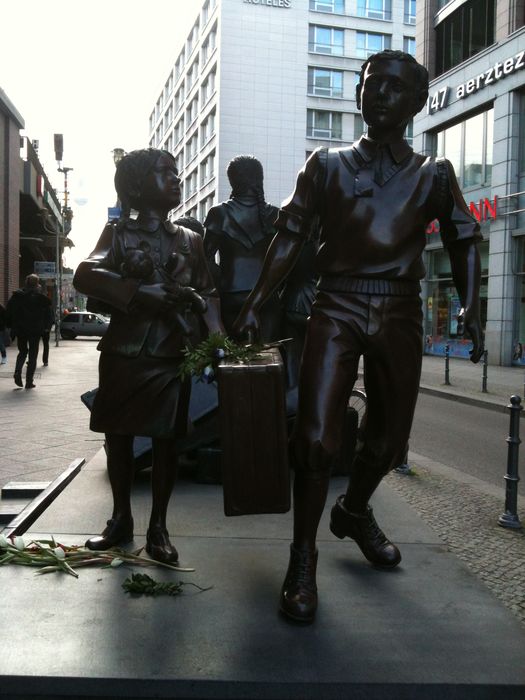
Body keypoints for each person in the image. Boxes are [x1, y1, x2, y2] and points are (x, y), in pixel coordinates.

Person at [233, 50, 484, 623]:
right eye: (372, 83)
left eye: (395, 88)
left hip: (399, 308)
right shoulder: (326, 163)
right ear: (359, 93)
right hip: (337, 302)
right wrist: (255, 304)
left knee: (390, 442)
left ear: (417, 102)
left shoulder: (435, 174)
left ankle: (353, 510)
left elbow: (465, 239)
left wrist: (469, 305)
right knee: (317, 437)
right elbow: (290, 237)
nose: (380, 94)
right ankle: (303, 557)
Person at [73, 148, 223, 564]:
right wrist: (137, 292)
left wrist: (218, 340)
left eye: (177, 172)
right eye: (165, 172)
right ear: (138, 186)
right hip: (125, 352)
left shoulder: (191, 240)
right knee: (118, 436)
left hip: (172, 355)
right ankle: (121, 518)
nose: (176, 179)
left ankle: (159, 526)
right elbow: (86, 273)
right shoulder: (118, 234)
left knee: (167, 441)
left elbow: (209, 293)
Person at [203, 155, 281, 340]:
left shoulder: (219, 213)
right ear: (259, 179)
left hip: (230, 294)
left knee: (232, 360)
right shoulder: (274, 214)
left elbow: (205, 258)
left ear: (232, 180)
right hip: (267, 296)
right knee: (269, 356)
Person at [5, 274, 52, 389]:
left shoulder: (17, 296)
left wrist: (11, 326)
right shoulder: (40, 298)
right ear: (37, 284)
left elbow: (9, 311)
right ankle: (29, 382)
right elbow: (48, 312)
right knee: (32, 355)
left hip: (21, 329)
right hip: (35, 330)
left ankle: (17, 371)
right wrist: (46, 327)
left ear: (26, 283)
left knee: (22, 352)